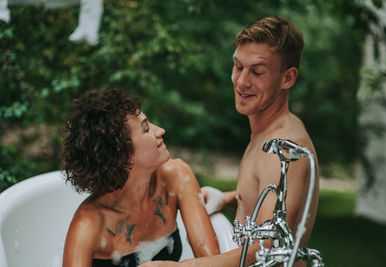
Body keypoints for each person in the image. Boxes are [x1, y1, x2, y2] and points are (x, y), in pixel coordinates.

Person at [139, 15, 319, 267]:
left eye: (257, 72)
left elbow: (271, 245)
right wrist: (230, 198)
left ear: (287, 78)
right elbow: (278, 196)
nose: (242, 81)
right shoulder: (270, 130)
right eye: (238, 66)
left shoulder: (281, 147)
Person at [59, 88, 220, 267]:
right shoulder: (89, 225)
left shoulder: (175, 176)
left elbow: (212, 260)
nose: (160, 131)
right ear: (123, 155)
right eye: (146, 129)